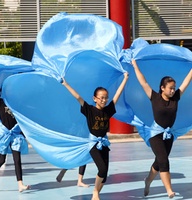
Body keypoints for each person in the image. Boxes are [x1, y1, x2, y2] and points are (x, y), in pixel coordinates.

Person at [62, 72, 128, 200]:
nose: (104, 100)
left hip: (104, 143)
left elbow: (118, 95)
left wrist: (125, 79)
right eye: (101, 98)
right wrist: (66, 84)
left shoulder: (108, 110)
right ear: (95, 98)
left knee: (104, 174)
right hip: (93, 144)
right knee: (102, 169)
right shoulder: (90, 110)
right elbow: (78, 97)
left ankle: (96, 192)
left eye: (106, 97)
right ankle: (95, 193)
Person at [131, 59, 192, 198]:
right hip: (155, 133)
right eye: (170, 88)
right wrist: (135, 65)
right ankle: (169, 190)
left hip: (168, 135)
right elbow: (143, 82)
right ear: (162, 88)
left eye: (174, 87)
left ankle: (147, 181)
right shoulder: (155, 97)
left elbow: (186, 83)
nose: (173, 90)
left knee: (159, 162)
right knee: (164, 160)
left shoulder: (175, 98)